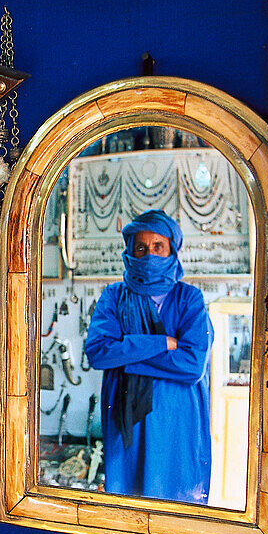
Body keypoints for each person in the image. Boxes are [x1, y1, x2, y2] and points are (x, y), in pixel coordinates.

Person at [83, 209, 213, 502]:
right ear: (130, 251)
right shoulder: (115, 296)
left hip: (177, 418)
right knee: (128, 504)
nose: (149, 255)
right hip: (126, 420)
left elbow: (193, 365)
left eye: (158, 247)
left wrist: (127, 356)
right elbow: (99, 353)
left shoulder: (189, 298)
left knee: (177, 503)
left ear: (171, 251)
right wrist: (160, 344)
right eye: (140, 248)